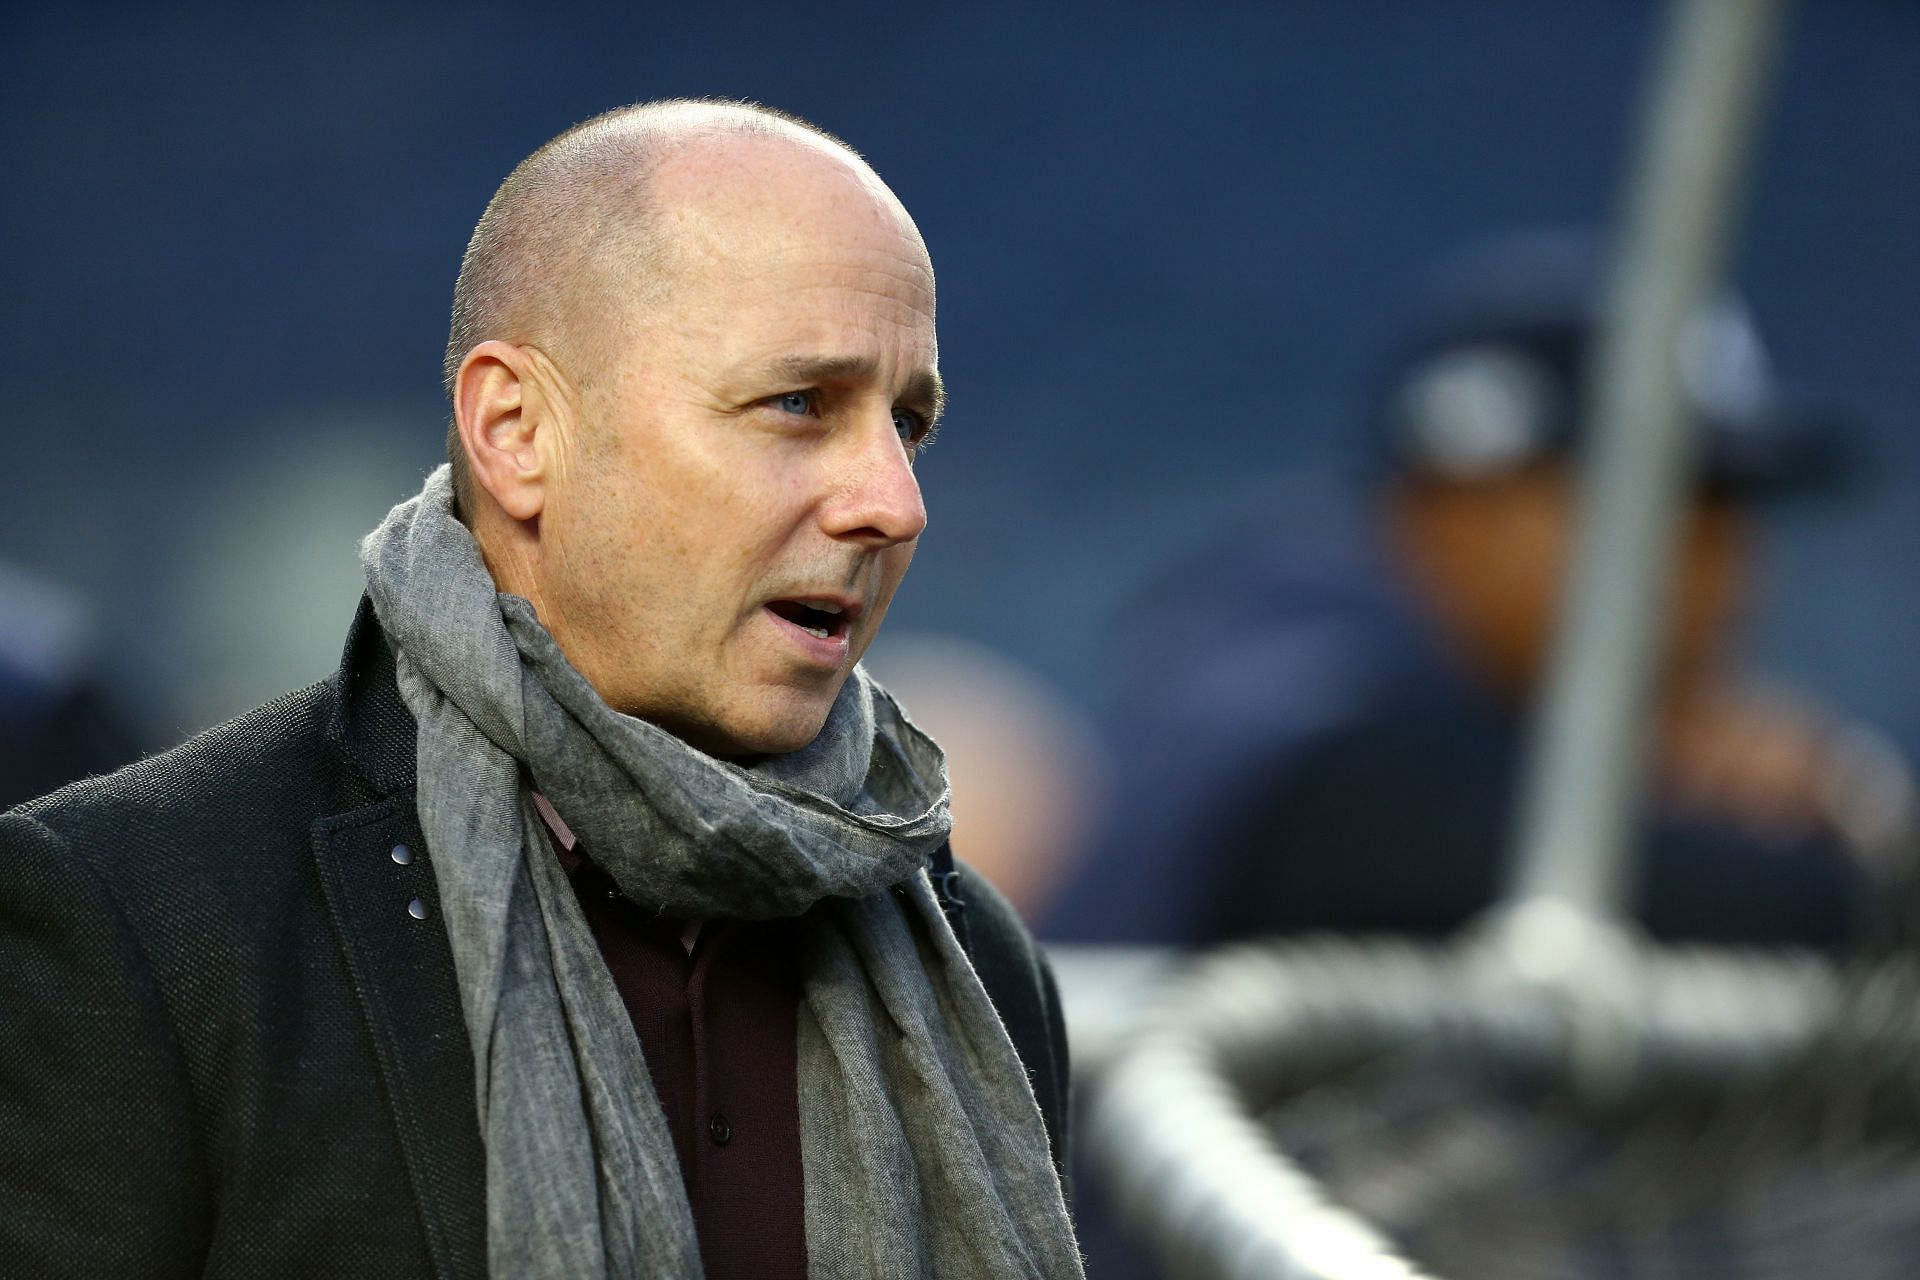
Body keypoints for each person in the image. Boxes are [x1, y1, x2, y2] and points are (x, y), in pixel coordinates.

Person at [1, 100, 1083, 1280]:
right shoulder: (139, 921)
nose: (893, 499)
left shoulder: (977, 960)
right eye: (799, 404)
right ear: (516, 431)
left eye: (908, 423)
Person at [1046, 232, 1912, 952]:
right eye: (1665, 502)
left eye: (1734, 510)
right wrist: (1846, 847)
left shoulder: (1534, 710)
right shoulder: (1283, 660)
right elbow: (1385, 820)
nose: (1718, 561)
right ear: (1457, 510)